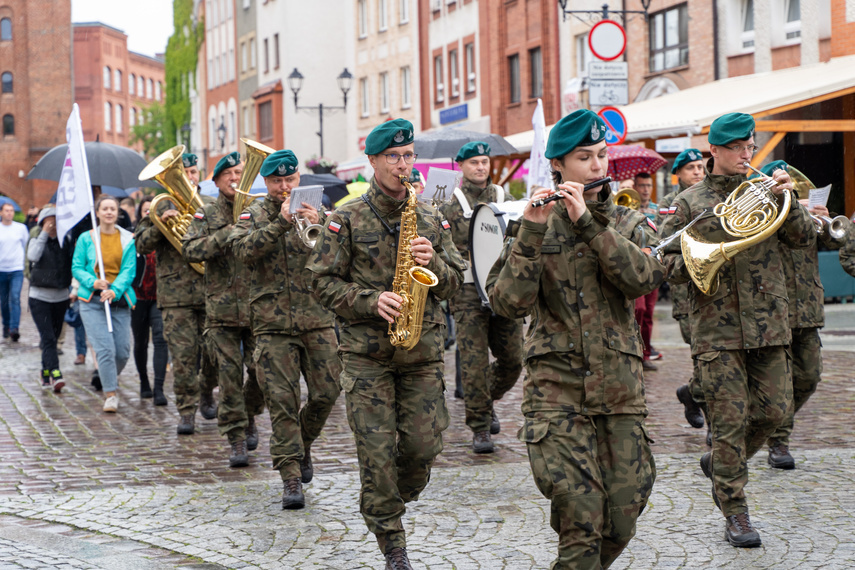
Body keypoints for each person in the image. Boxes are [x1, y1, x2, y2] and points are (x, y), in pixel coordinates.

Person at [488, 109, 662, 569]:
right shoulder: (531, 224)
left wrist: (588, 222)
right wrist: (529, 231)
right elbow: (507, 303)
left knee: (623, 515)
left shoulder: (626, 221)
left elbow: (643, 278)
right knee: (582, 517)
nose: (598, 166)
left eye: (602, 155)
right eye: (585, 157)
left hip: (620, 393)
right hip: (556, 395)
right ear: (558, 166)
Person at [307, 119, 465, 570]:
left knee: (423, 448)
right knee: (376, 453)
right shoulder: (347, 218)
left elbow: (455, 282)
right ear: (373, 161)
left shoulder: (433, 217)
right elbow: (322, 284)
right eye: (393, 157)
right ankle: (392, 542)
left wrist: (435, 260)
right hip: (366, 357)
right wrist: (371, 300)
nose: (403, 164)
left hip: (422, 354)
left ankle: (393, 495)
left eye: (409, 155)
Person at [659, 113, 814, 547]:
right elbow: (664, 259)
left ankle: (724, 463)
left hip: (769, 322)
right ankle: (736, 511)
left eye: (750, 146)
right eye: (737, 148)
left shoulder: (768, 190)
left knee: (776, 411)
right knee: (729, 423)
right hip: (717, 327)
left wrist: (792, 201)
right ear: (715, 151)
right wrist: (702, 261)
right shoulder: (689, 202)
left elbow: (804, 240)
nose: (746, 155)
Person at [230, 149, 342, 509]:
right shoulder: (253, 213)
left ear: (298, 180)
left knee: (327, 391)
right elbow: (243, 252)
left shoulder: (318, 209)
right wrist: (279, 222)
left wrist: (322, 224)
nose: (283, 187)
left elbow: (339, 254)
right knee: (282, 401)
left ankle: (302, 442)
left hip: (318, 318)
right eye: (276, 181)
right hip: (272, 324)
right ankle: (290, 476)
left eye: (289, 180)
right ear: (266, 182)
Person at [755, 161, 849, 469]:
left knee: (808, 376)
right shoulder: (761, 214)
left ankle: (763, 428)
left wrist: (823, 218)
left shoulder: (804, 214)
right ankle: (778, 442)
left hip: (807, 307)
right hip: (773, 308)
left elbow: (837, 240)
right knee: (776, 384)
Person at [437, 141, 523, 453]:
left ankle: (486, 402)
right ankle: (480, 426)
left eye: (484, 161)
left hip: (503, 287)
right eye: (474, 162)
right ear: (461, 166)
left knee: (514, 358)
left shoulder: (502, 196)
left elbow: (517, 233)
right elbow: (442, 245)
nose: (481, 167)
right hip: (468, 291)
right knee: (473, 362)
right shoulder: (450, 202)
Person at [183, 152, 265, 466]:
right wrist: (224, 235)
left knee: (260, 374)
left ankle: (250, 415)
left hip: (258, 308)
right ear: (216, 180)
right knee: (229, 378)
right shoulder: (205, 213)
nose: (235, 178)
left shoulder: (258, 210)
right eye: (228, 173)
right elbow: (189, 250)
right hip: (221, 312)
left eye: (240, 172)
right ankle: (236, 439)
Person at [136, 152, 219, 434]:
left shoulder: (211, 205)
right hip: (175, 297)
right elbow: (141, 245)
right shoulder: (158, 207)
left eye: (193, 172)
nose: (189, 177)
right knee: (183, 359)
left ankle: (207, 391)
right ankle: (186, 411)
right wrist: (160, 225)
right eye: (183, 172)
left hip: (211, 293)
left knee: (214, 354)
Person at [72, 195, 137, 413]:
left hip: (119, 300)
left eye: (113, 209)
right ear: (97, 212)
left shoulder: (128, 238)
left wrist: (114, 290)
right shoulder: (86, 238)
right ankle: (110, 394)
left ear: (118, 213)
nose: (109, 212)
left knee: (122, 352)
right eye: (105, 209)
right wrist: (93, 281)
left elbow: (129, 270)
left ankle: (106, 374)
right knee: (106, 350)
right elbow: (77, 267)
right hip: (92, 301)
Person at [658, 149, 707, 432]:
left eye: (700, 167)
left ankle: (692, 393)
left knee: (712, 363)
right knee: (704, 359)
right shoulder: (670, 204)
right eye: (691, 168)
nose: (698, 172)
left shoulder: (715, 198)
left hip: (715, 293)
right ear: (678, 173)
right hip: (686, 296)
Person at [27, 206, 74, 392]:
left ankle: (45, 371)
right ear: (42, 222)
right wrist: (44, 234)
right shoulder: (36, 239)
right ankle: (55, 373)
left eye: (56, 220)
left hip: (61, 297)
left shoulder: (66, 241)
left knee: (52, 338)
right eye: (49, 220)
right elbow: (33, 256)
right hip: (39, 297)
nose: (53, 224)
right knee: (47, 337)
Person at [131, 196, 168, 404]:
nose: (150, 214)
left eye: (153, 210)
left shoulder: (166, 233)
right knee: (140, 342)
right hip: (138, 296)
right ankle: (144, 381)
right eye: (146, 211)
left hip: (159, 296)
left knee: (161, 340)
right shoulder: (135, 235)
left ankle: (159, 388)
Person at [632, 172, 661, 371]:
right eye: (641, 185)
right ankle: (634, 351)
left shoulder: (657, 210)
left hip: (652, 266)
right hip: (634, 266)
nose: (645, 189)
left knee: (649, 312)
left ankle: (645, 354)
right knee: (638, 309)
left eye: (648, 185)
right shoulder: (626, 207)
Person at [0, 202, 30, 342]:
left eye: (11, 210)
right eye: (6, 211)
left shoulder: (21, 228)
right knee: (4, 301)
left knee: (15, 297)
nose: (9, 213)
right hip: (1, 269)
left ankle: (14, 328)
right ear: (1, 213)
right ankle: (6, 324)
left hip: (16, 269)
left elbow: (25, 244)